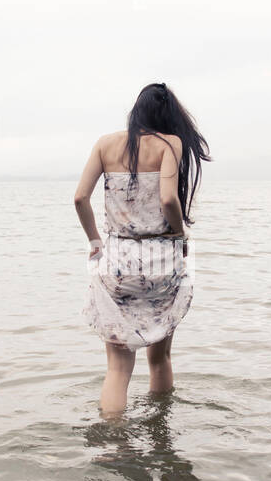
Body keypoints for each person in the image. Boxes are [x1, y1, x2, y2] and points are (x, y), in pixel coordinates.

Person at [74, 82, 210, 415]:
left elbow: (80, 198)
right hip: (161, 257)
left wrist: (94, 241)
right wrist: (181, 236)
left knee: (118, 370)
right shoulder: (170, 143)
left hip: (117, 260)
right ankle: (161, 435)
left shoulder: (105, 145)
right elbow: (168, 198)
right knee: (160, 358)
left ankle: (113, 446)